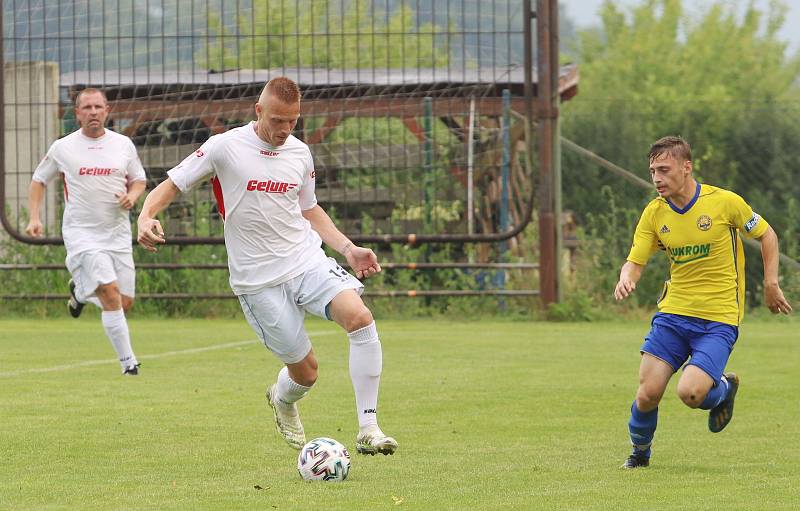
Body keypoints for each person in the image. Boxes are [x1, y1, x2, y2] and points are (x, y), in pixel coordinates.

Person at [136, 76, 398, 455]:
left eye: (292, 121)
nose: (285, 130)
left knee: (360, 318)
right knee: (306, 372)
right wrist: (146, 215)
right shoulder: (224, 147)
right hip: (257, 281)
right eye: (277, 120)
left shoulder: (300, 153)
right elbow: (173, 184)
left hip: (305, 260)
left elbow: (309, 208)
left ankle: (369, 429)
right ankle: (283, 399)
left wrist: (347, 248)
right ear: (258, 111)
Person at [613, 136, 793, 469]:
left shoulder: (724, 203)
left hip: (719, 318)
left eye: (664, 170)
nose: (657, 178)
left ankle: (724, 386)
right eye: (653, 170)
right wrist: (627, 278)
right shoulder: (654, 213)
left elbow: (767, 234)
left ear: (686, 167)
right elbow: (635, 260)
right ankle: (640, 454)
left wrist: (771, 283)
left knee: (691, 394)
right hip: (673, 315)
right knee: (647, 392)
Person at [25, 88, 147, 375]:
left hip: (116, 233)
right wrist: (34, 218)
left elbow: (139, 180)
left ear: (107, 110)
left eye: (98, 107)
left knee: (123, 301)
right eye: (87, 107)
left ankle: (80, 293)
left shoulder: (123, 144)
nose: (93, 112)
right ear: (77, 113)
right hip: (82, 234)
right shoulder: (62, 147)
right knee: (110, 292)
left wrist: (133, 195)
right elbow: (38, 180)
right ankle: (129, 364)